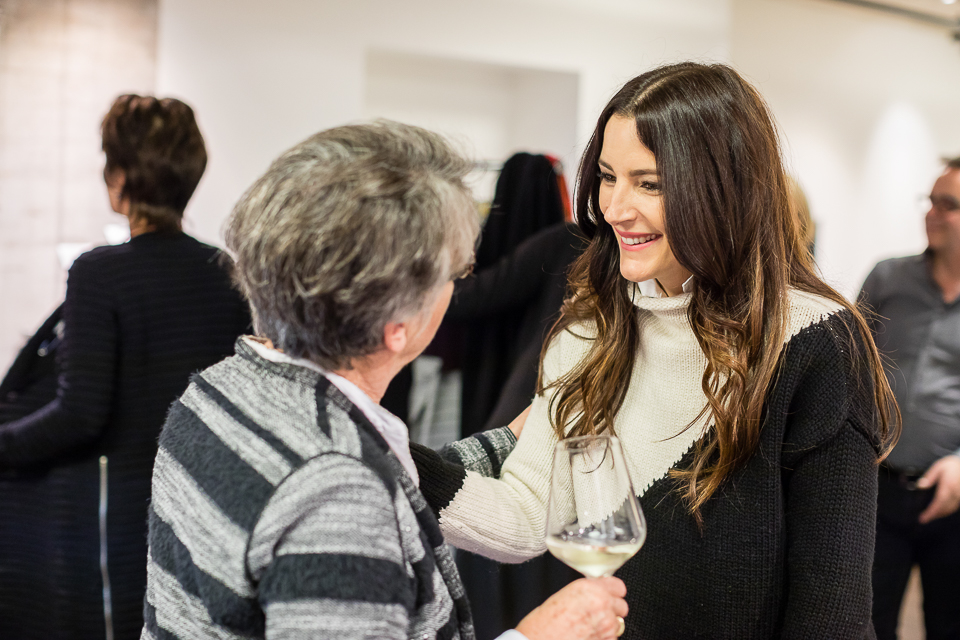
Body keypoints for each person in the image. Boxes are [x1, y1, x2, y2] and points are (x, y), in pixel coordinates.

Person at [411, 61, 899, 640]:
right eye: (608, 176)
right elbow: (525, 512)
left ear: (724, 192)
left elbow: (832, 617)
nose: (615, 207)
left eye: (650, 184)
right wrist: (383, 455)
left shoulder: (814, 343)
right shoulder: (592, 328)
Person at [141, 120, 628, 640]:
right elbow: (345, 483)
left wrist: (511, 438)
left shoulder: (221, 388)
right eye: (453, 276)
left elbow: (383, 470)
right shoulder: (337, 488)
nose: (455, 289)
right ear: (397, 326)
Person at [0, 94, 251, 639]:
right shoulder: (226, 272)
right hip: (201, 506)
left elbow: (80, 414)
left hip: (114, 515)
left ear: (119, 175)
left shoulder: (99, 272)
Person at [859, 156, 960, 640]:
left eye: (949, 204)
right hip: (878, 486)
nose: (932, 212)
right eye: (931, 200)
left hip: (954, 500)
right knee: (869, 623)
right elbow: (847, 369)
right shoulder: (888, 278)